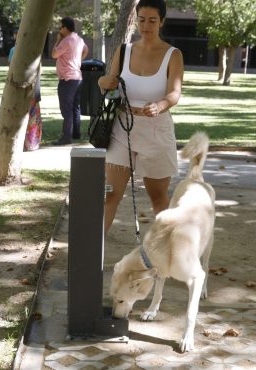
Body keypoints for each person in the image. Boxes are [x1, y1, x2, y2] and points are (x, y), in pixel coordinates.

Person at [97, 0, 184, 234]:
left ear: (162, 22)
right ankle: (93, 258)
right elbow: (108, 83)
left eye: (152, 21)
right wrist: (102, 82)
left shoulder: (172, 55)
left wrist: (161, 105)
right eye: (142, 20)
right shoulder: (123, 51)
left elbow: (175, 93)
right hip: (122, 127)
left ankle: (170, 254)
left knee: (158, 199)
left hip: (157, 129)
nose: (146, 26)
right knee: (110, 195)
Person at [51, 16, 89, 145]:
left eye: (61, 27)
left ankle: (66, 137)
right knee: (75, 107)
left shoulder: (66, 40)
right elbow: (86, 50)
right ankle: (75, 134)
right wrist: (78, 61)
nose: (59, 29)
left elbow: (54, 55)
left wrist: (57, 41)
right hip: (77, 78)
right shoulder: (78, 39)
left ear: (65, 28)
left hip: (67, 79)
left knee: (66, 109)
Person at [9, 28, 43, 151]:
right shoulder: (18, 50)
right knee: (28, 115)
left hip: (27, 87)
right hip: (26, 86)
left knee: (28, 115)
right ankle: (27, 143)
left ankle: (28, 142)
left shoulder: (22, 50)